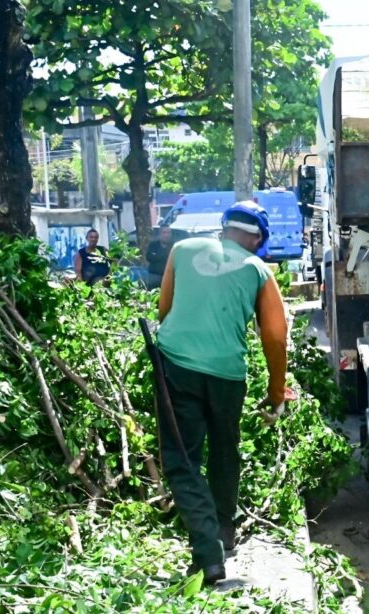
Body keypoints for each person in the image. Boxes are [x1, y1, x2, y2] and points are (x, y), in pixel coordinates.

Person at [156, 201, 289, 584]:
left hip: (177, 367)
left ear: (224, 228)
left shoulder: (182, 249)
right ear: (256, 238)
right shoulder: (258, 269)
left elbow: (164, 309)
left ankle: (207, 552)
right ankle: (223, 532)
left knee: (182, 460)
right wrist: (276, 390)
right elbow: (276, 336)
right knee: (225, 449)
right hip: (228, 376)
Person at [143, 225, 175, 289]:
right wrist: (164, 256)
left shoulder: (174, 246)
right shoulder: (153, 245)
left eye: (168, 232)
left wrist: (157, 256)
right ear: (159, 234)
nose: (166, 235)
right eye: (164, 232)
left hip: (169, 276)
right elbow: (149, 257)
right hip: (154, 275)